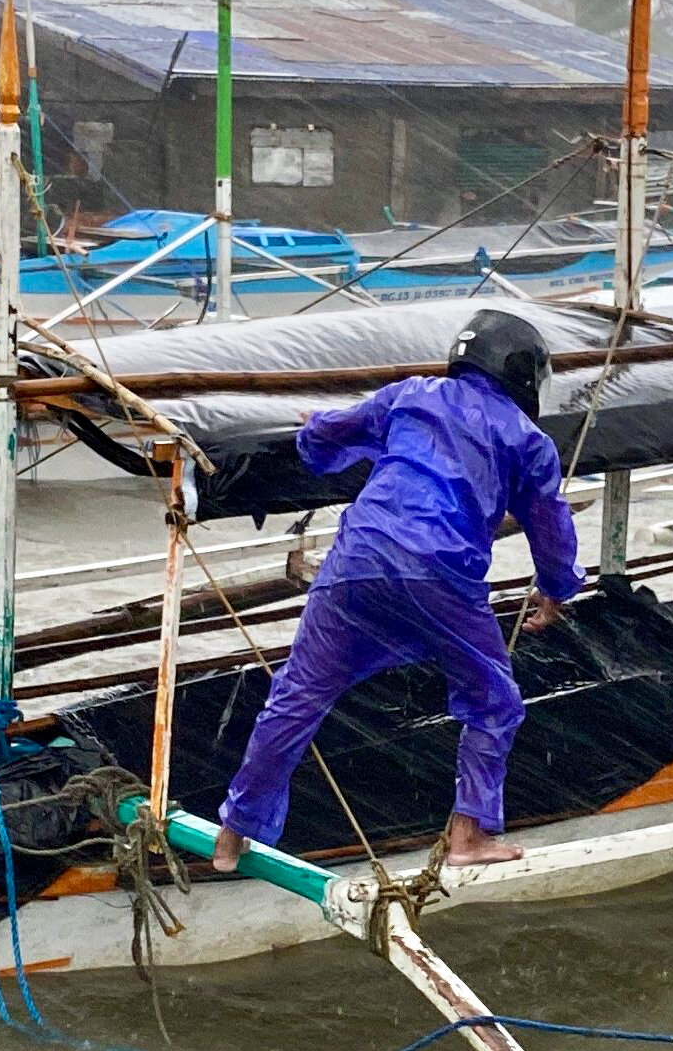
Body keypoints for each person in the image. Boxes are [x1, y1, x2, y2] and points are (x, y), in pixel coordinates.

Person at [212, 310, 584, 872]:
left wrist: (311, 433)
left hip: (356, 557)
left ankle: (233, 833)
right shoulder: (528, 440)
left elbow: (326, 434)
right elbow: (550, 522)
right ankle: (467, 837)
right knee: (494, 699)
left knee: (298, 694)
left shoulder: (411, 394)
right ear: (526, 374)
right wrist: (557, 589)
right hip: (439, 570)